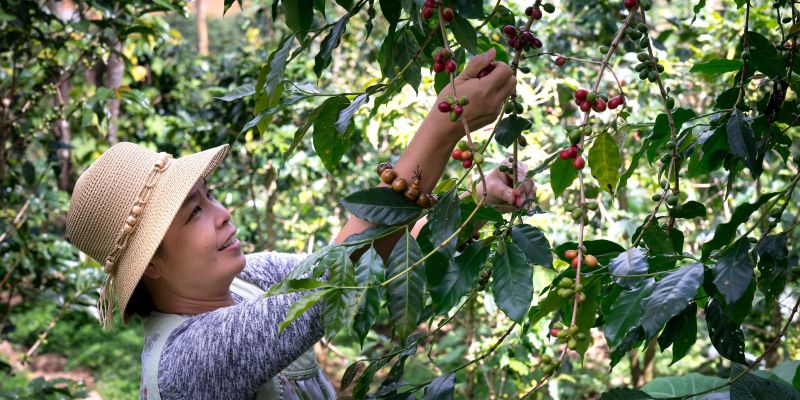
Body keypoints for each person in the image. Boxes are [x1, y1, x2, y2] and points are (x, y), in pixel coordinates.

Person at [65, 48, 534, 399]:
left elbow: (364, 260)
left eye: (209, 197)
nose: (222, 213)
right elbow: (329, 284)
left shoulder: (247, 279)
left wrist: (471, 203)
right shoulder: (185, 363)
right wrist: (443, 124)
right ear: (151, 266)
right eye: (193, 213)